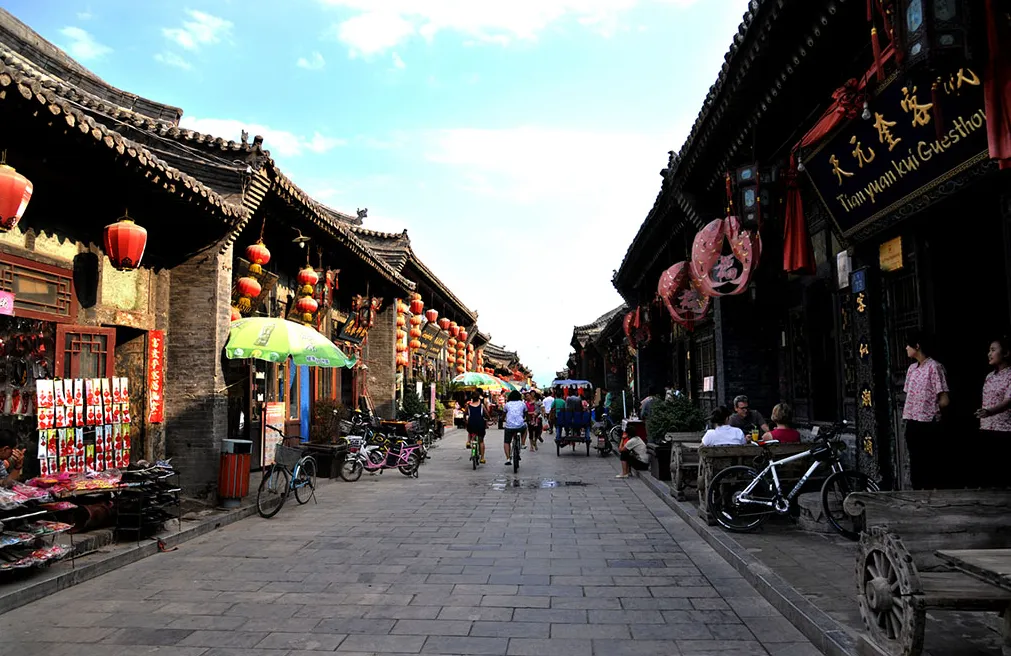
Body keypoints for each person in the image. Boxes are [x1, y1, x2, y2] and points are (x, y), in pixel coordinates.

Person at [902, 330, 949, 490]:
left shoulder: (934, 367)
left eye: (908, 345)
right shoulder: (911, 369)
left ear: (917, 346)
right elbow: (910, 395)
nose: (906, 348)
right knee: (915, 463)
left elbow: (944, 400)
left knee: (929, 463)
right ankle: (918, 494)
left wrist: (931, 410)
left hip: (928, 423)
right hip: (912, 421)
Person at [976, 336, 1011, 487]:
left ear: (1006, 353)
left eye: (993, 350)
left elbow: (1009, 400)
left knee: (1003, 476)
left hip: (1004, 431)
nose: (989, 354)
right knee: (988, 477)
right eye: (989, 350)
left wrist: (990, 411)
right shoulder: (989, 377)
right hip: (986, 429)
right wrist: (985, 415)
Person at [503, 390, 527, 466]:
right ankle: (523, 443)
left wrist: (503, 419)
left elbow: (504, 414)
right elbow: (525, 413)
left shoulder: (507, 404)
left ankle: (508, 458)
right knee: (525, 428)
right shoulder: (522, 404)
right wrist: (524, 419)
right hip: (520, 425)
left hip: (509, 426)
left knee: (507, 442)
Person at [465, 391, 488, 464]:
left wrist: (465, 421)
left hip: (471, 424)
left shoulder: (468, 406)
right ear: (478, 398)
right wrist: (489, 418)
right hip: (480, 424)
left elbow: (465, 415)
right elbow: (486, 415)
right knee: (481, 441)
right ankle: (482, 458)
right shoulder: (481, 406)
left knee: (470, 431)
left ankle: (469, 441)